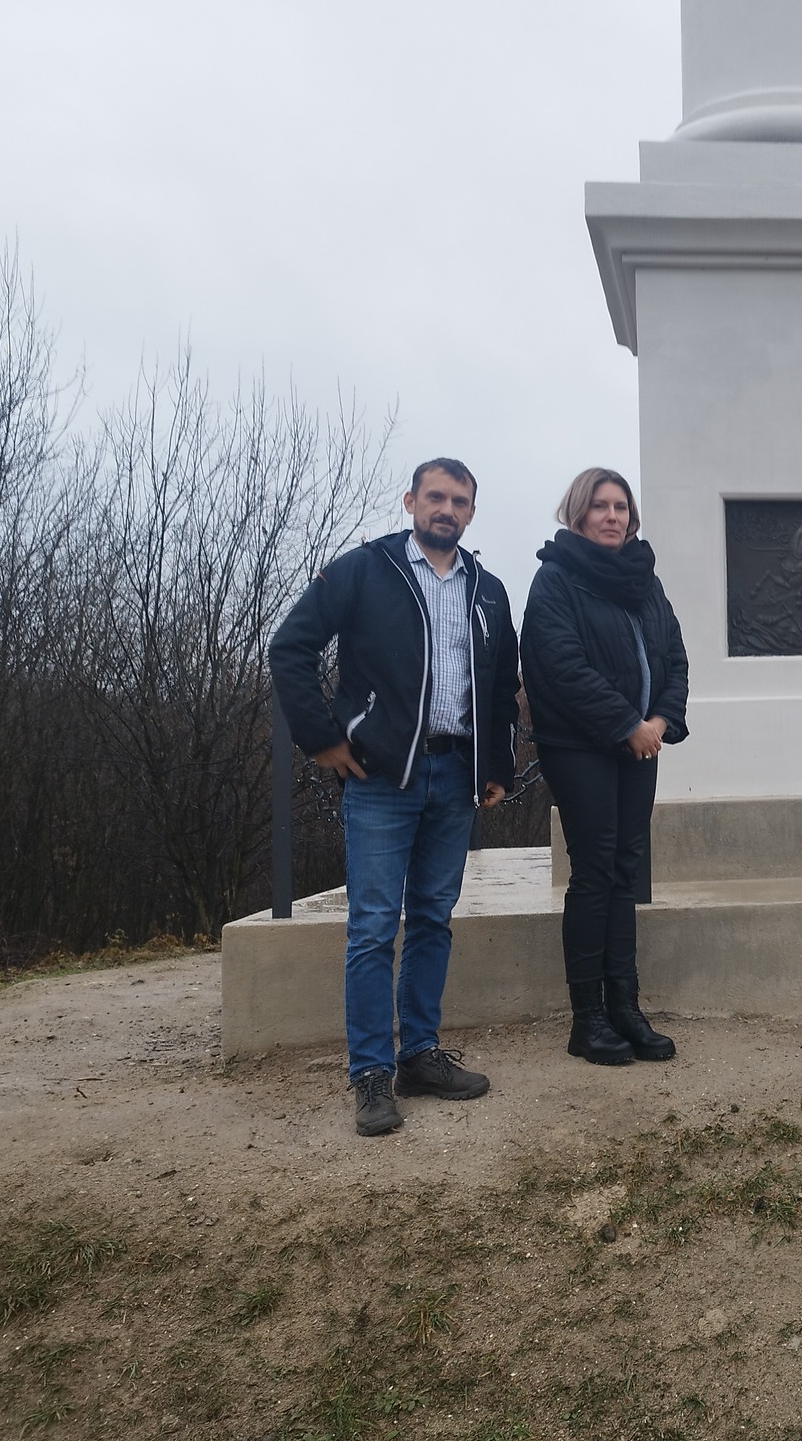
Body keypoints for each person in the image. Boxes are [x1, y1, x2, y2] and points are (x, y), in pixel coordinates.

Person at [270, 458, 522, 1136]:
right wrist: (322, 737)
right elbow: (290, 647)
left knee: (434, 918)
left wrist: (496, 764)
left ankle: (419, 1056)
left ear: (472, 512)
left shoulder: (488, 590)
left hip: (456, 777)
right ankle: (371, 1075)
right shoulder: (365, 569)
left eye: (460, 501)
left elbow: (501, 687)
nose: (447, 509)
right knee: (374, 927)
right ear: (411, 501)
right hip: (381, 778)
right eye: (435, 496)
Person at [522, 467, 689, 1066]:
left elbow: (674, 655)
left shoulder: (645, 580)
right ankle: (587, 1019)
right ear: (579, 513)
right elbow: (561, 667)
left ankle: (625, 1007)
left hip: (641, 744)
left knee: (625, 871)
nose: (613, 516)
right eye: (601, 506)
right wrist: (627, 724)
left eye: (621, 506)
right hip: (581, 746)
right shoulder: (556, 579)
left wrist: (660, 720)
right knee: (594, 872)